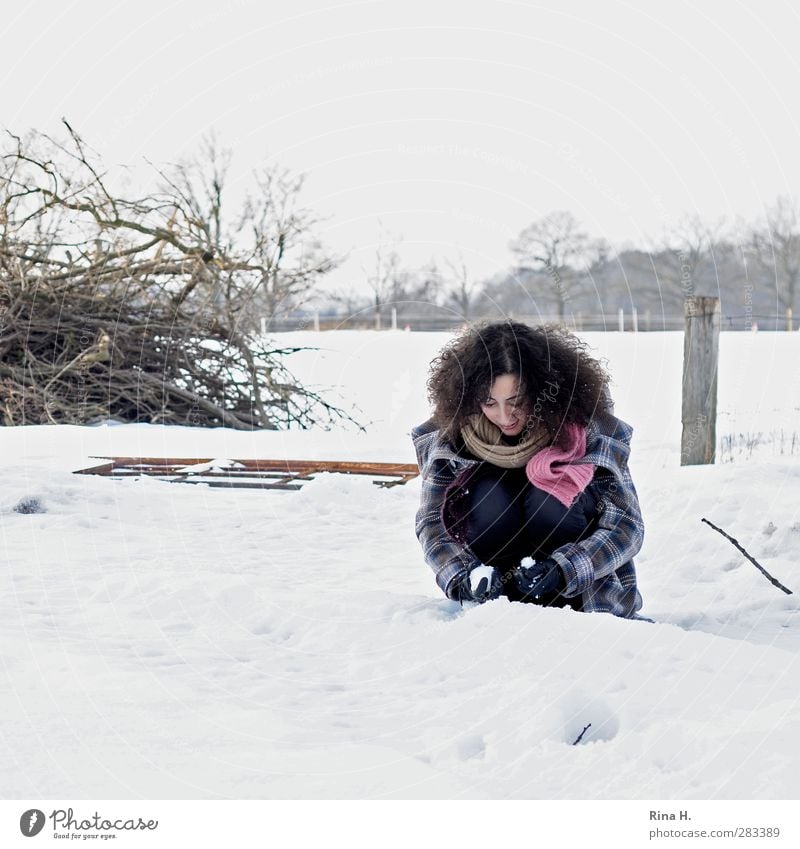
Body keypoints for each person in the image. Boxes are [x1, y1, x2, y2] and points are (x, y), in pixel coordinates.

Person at [411, 320, 645, 618]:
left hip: (581, 595)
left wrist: (564, 569)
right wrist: (462, 576)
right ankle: (501, 595)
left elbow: (627, 526)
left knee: (547, 498)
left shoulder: (588, 428)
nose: (504, 416)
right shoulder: (451, 436)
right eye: (489, 403)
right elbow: (432, 524)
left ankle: (556, 591)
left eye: (516, 401)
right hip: (498, 604)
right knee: (487, 495)